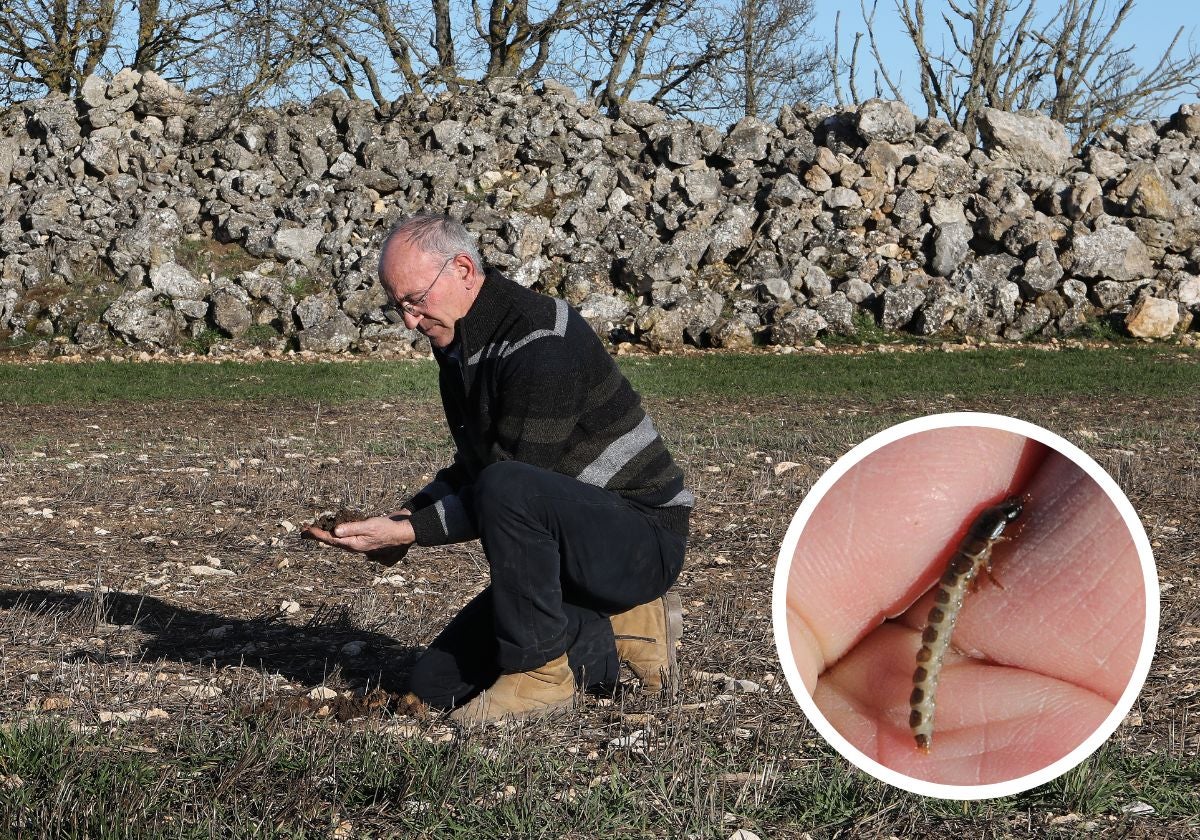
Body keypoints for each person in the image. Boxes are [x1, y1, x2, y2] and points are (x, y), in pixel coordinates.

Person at [305, 213, 692, 724]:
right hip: (569, 545)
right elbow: (477, 468)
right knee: (433, 686)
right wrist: (404, 519)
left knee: (509, 486)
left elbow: (510, 484)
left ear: (463, 268)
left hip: (641, 538)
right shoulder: (462, 346)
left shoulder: (539, 339)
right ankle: (622, 625)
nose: (409, 321)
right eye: (398, 306)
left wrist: (413, 532)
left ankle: (539, 675)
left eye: (415, 300)